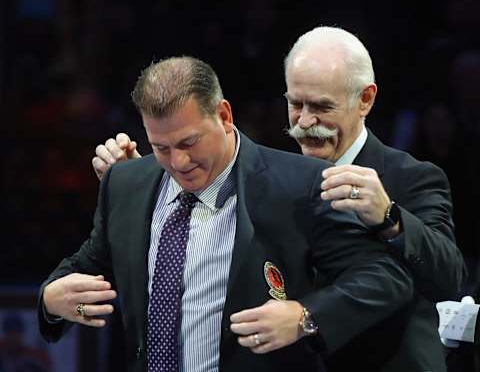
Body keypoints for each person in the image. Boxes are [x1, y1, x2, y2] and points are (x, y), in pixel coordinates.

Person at [93, 27, 467, 372]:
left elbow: (449, 278)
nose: (304, 121)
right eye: (296, 104)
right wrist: (146, 186)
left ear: (365, 99)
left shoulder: (411, 177)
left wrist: (390, 217)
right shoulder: (267, 176)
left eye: (321, 107)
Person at [39, 56, 414, 372]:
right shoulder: (126, 182)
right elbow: (86, 265)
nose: (177, 162)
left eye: (188, 142)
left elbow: (386, 277)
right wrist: (50, 301)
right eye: (161, 147)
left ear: (223, 115)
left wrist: (304, 317)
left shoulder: (300, 183)